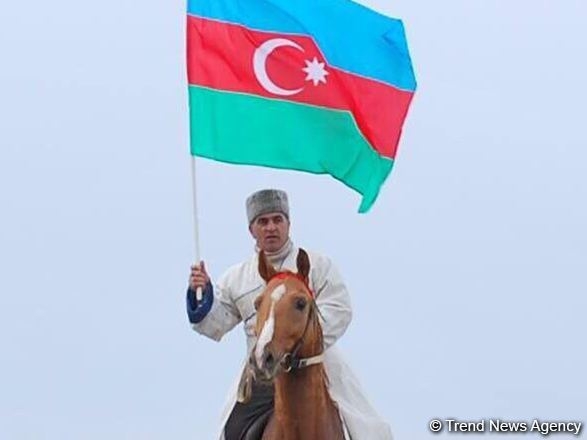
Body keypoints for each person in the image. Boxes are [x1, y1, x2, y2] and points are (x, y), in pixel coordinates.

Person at [187, 189, 393, 440]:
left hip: (318, 363)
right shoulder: (237, 278)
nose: (271, 227)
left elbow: (339, 309)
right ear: (252, 229)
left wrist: (302, 346)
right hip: (263, 368)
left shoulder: (317, 265)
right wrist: (202, 296)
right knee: (229, 432)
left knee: (371, 429)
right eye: (263, 222)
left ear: (288, 224)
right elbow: (214, 325)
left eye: (277, 220)